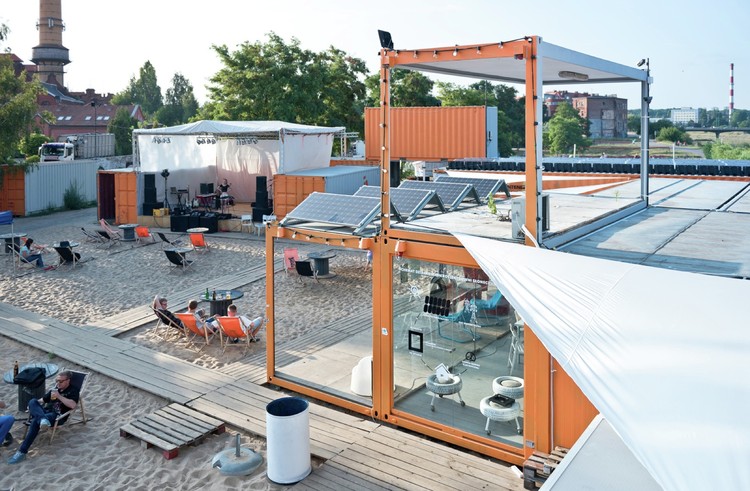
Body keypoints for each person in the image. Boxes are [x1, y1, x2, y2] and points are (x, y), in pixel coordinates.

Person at [7, 371, 79, 464]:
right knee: (32, 401)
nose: (58, 383)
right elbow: (42, 400)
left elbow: (73, 405)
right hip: (45, 412)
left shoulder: (73, 390)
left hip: (57, 415)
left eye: (60, 381)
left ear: (68, 380)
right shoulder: (55, 389)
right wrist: (33, 406)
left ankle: (22, 452)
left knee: (35, 421)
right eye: (57, 381)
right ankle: (43, 419)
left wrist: (59, 396)